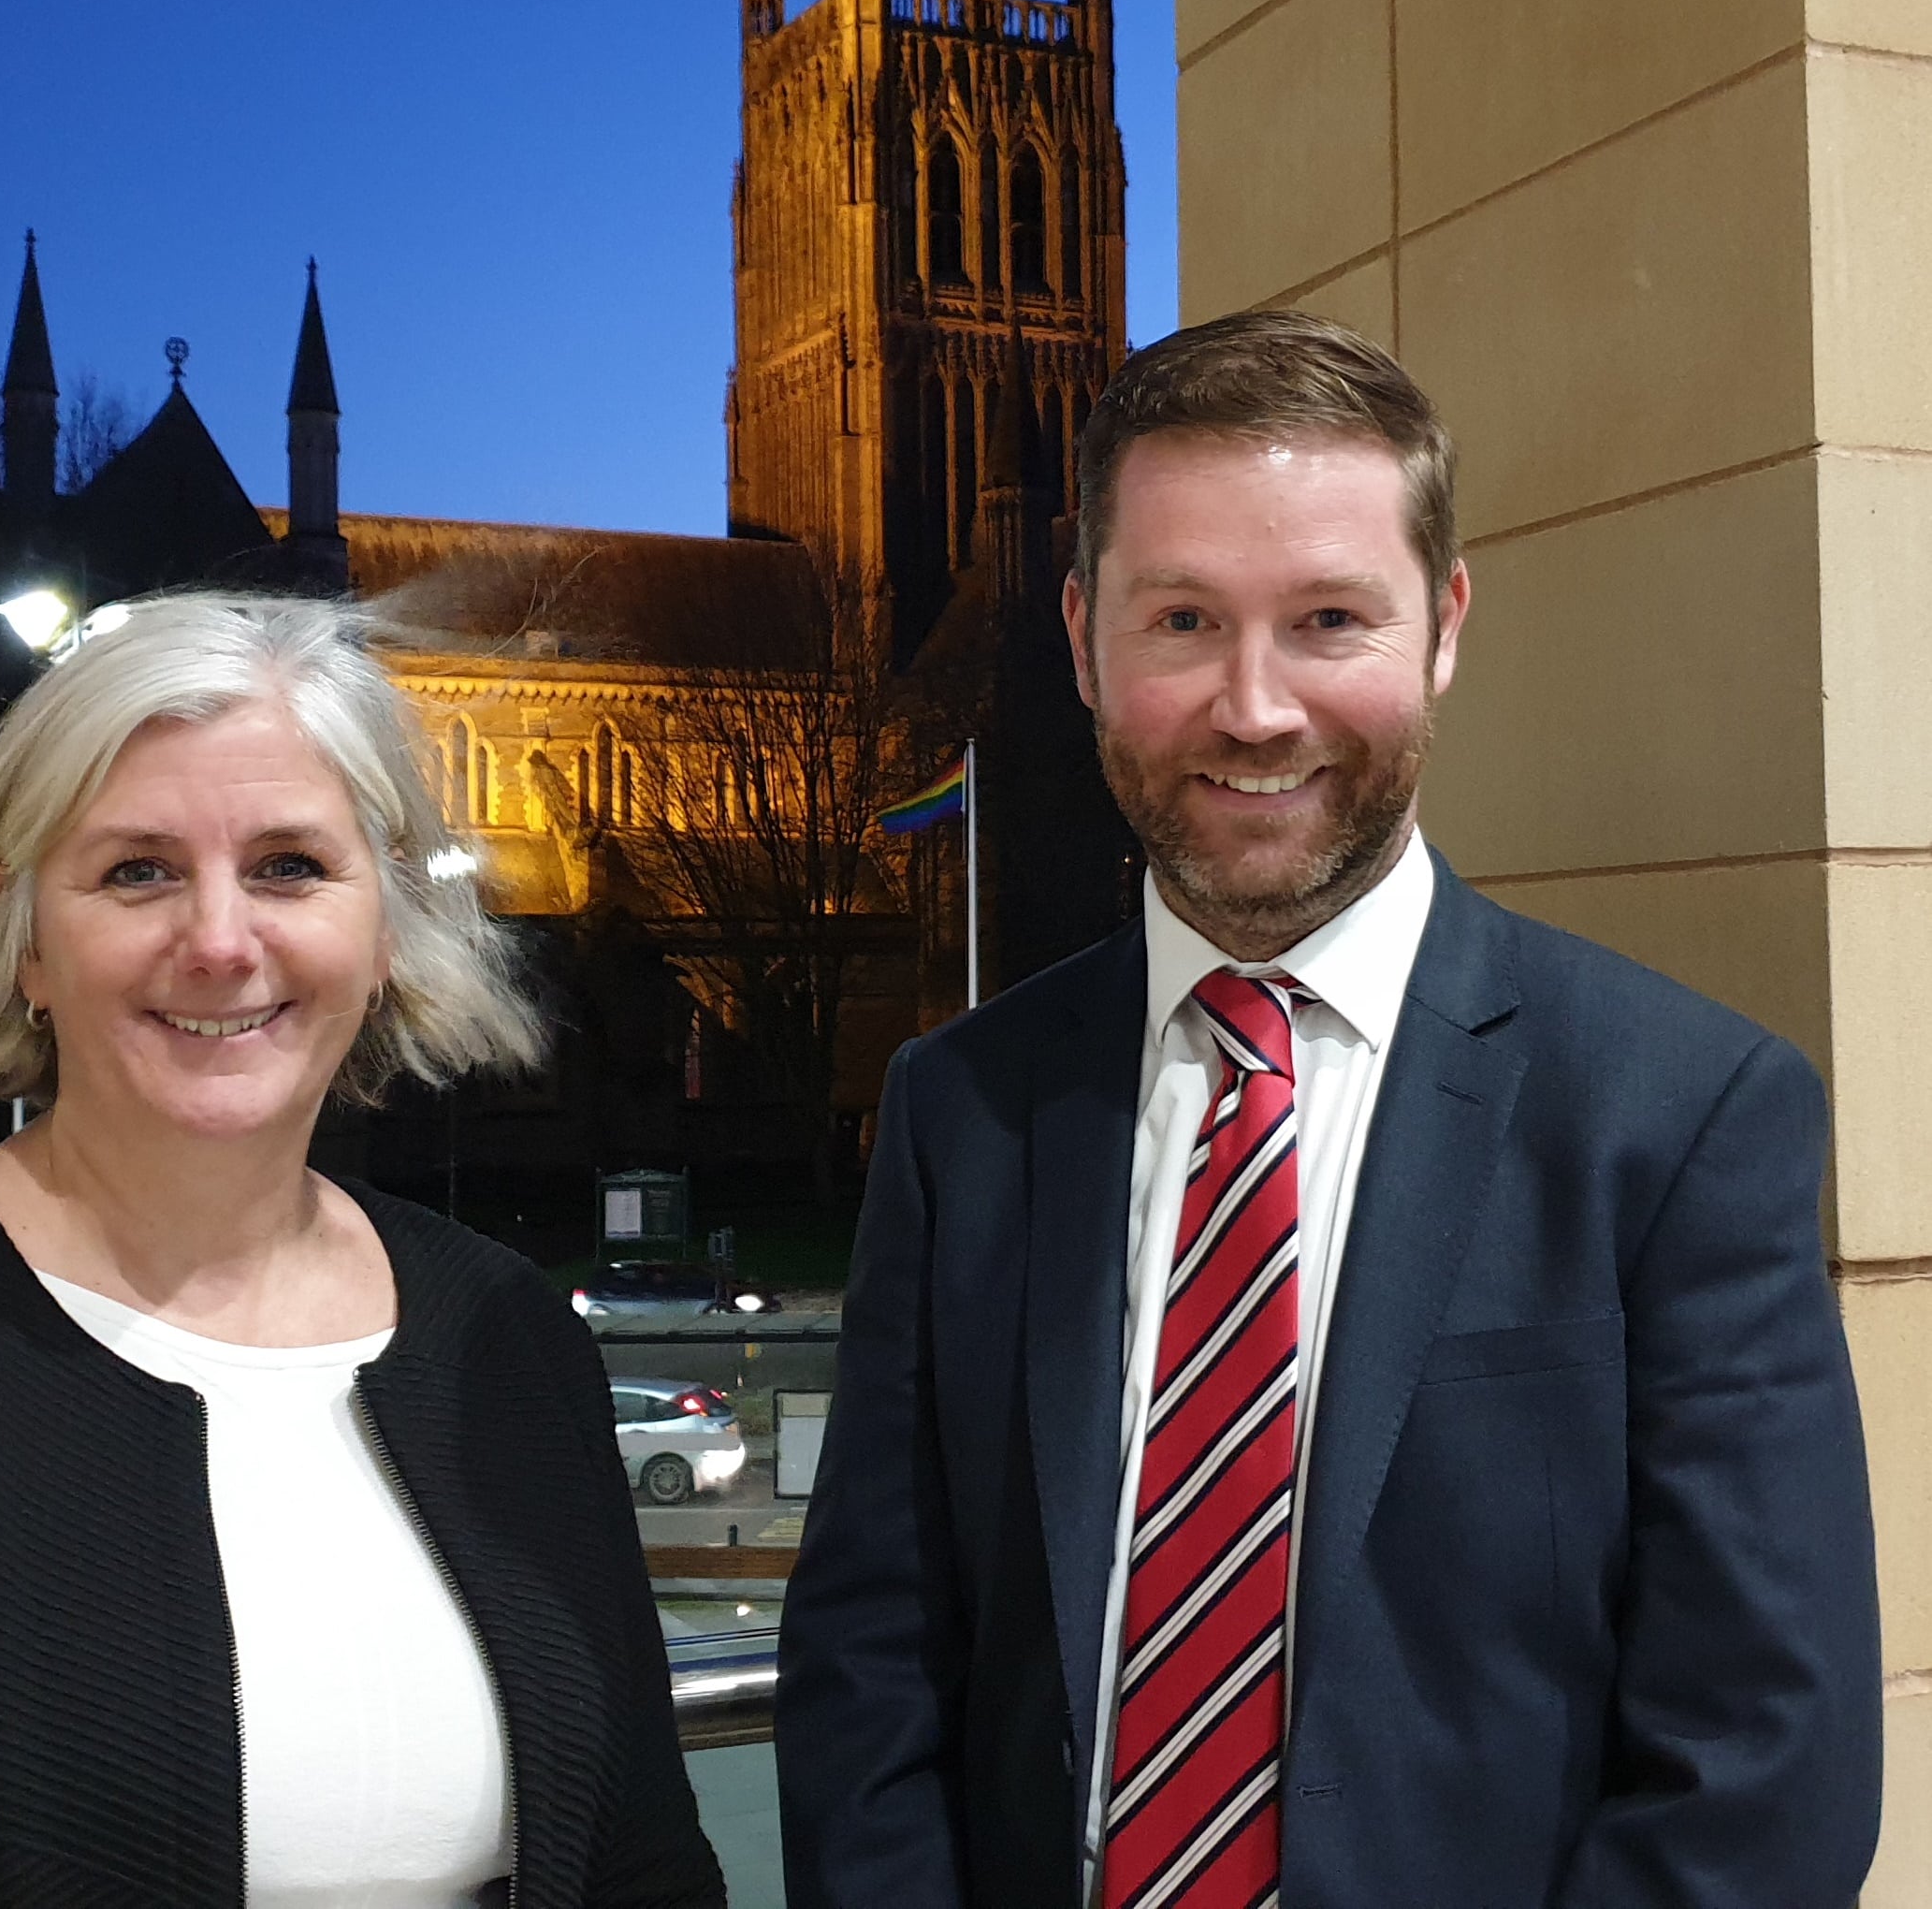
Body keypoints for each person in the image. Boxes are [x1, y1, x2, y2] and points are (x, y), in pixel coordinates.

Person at [776, 313, 1882, 1908]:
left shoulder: (1679, 1114)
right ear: (1083, 638)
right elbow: (869, 1670)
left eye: (1326, 621)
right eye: (1181, 620)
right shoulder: (964, 1110)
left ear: (1440, 629)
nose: (1254, 707)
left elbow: (1762, 1766)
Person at [0, 591, 724, 1909]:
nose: (222, 943)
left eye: (290, 866)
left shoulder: (506, 1336)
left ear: (385, 923)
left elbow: (643, 1862)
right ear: (23, 938)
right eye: (138, 871)